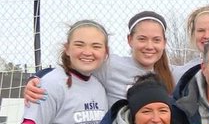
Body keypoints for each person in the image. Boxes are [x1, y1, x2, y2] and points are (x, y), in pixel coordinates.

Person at [24, 11, 176, 105]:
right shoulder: (110, 65)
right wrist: (36, 77)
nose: (149, 46)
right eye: (142, 39)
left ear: (164, 43)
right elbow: (71, 67)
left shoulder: (173, 74)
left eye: (156, 40)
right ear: (130, 40)